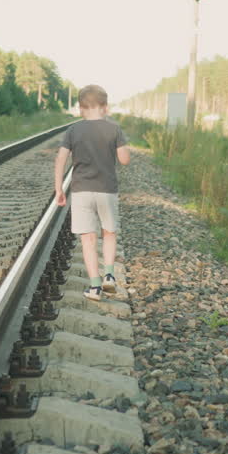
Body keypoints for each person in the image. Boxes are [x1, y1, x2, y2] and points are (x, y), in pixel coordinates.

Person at [54, 84, 131, 300]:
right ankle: (109, 275)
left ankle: (95, 287)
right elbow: (124, 160)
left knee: (88, 239)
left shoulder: (73, 130)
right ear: (105, 107)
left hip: (81, 192)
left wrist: (59, 188)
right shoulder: (114, 129)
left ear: (80, 109)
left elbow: (61, 158)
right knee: (109, 233)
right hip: (107, 190)